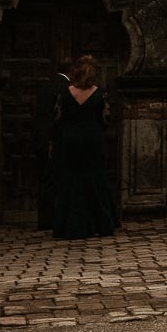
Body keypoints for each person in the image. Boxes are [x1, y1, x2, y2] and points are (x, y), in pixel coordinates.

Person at [52, 54, 119, 240]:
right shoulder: (99, 93)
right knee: (94, 179)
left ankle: (71, 224)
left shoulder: (66, 93)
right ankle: (100, 222)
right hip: (92, 139)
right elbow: (106, 118)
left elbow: (57, 119)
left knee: (71, 181)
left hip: (70, 140)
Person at [35, 61, 72, 231]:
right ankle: (56, 217)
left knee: (44, 180)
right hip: (54, 140)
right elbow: (58, 118)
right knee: (56, 180)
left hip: (40, 138)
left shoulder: (45, 85)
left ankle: (44, 218)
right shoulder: (66, 88)